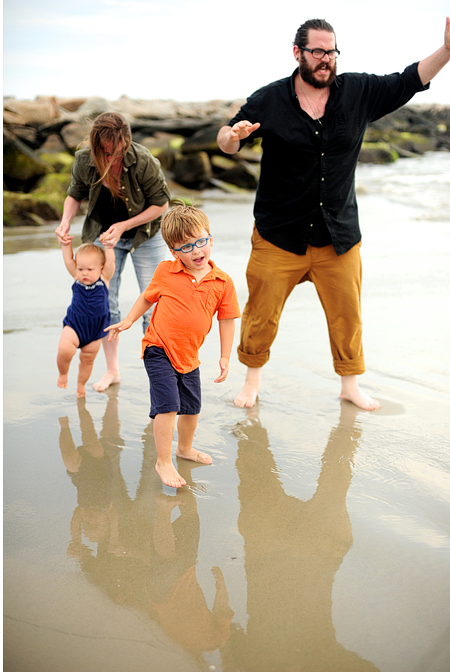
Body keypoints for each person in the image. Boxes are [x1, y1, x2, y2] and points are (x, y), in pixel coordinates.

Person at [218, 17, 450, 411]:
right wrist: (232, 137)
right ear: (298, 53)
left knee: (347, 315)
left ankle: (349, 386)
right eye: (318, 52)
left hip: (338, 233)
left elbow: (408, 80)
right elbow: (227, 138)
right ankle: (252, 382)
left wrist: (446, 51)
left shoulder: (358, 91)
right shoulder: (269, 100)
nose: (326, 59)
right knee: (260, 315)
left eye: (332, 51)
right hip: (280, 233)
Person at [106, 204, 240, 489]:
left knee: (191, 408)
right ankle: (163, 461)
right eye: (186, 246)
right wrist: (129, 320)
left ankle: (184, 449)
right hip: (158, 348)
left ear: (210, 239)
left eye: (201, 241)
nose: (196, 250)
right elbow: (147, 297)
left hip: (190, 356)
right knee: (168, 406)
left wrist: (225, 356)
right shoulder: (166, 271)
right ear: (173, 251)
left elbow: (226, 320)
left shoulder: (223, 282)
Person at [55, 111, 170, 393]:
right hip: (104, 237)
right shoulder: (84, 159)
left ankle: (158, 374)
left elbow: (161, 205)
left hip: (146, 234)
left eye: (117, 153)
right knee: (108, 306)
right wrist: (65, 221)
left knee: (153, 305)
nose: (111, 159)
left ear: (126, 142)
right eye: (105, 153)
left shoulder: (144, 160)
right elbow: (75, 193)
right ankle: (113, 371)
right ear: (96, 146)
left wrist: (124, 225)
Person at [57, 239, 116, 397]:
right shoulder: (77, 279)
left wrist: (108, 248)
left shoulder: (104, 279)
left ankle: (80, 385)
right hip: (75, 324)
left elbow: (110, 263)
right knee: (65, 350)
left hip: (96, 329)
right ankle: (63, 374)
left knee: (88, 359)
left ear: (101, 268)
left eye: (89, 269)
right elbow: (69, 260)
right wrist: (66, 245)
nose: (84, 273)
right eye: (81, 268)